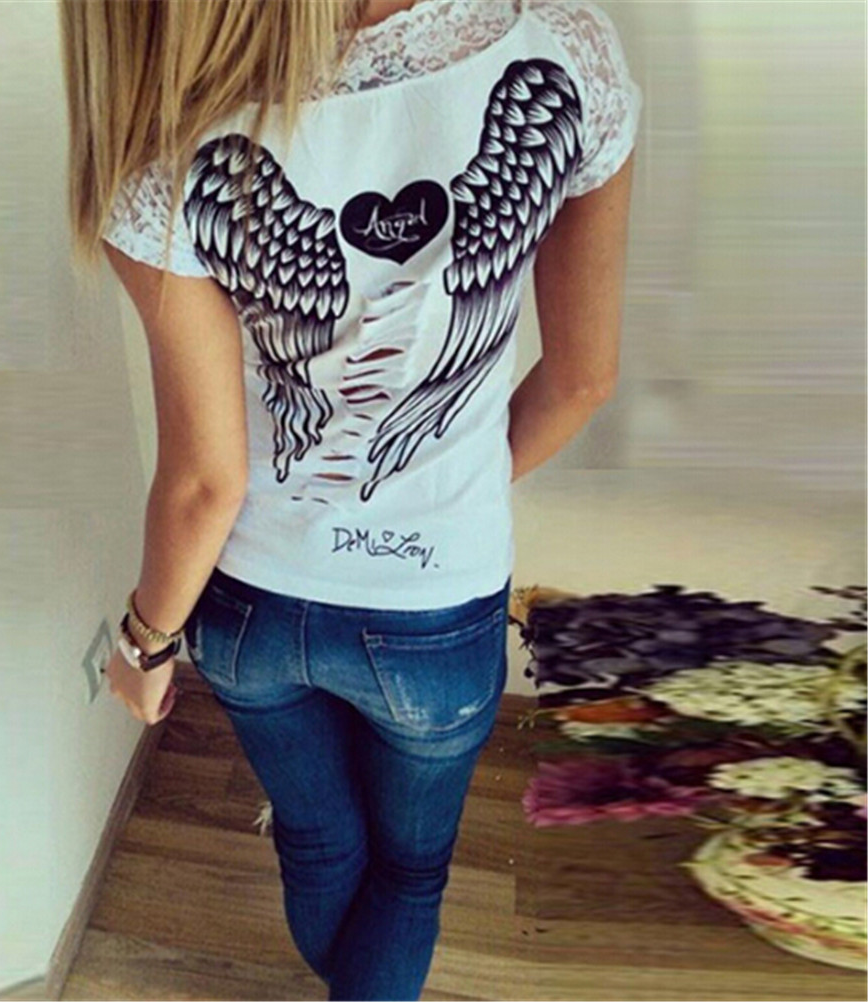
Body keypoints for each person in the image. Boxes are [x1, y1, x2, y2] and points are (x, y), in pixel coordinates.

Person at [58, 0, 642, 997]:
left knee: (320, 842)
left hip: (252, 605)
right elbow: (584, 380)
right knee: (410, 877)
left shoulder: (170, 144)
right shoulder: (560, 52)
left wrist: (143, 646)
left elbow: (206, 482)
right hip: (436, 604)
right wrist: (446, 490)